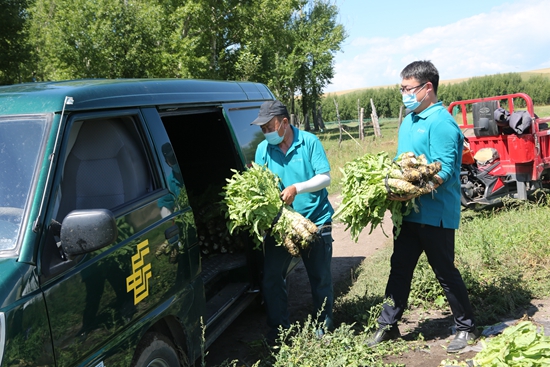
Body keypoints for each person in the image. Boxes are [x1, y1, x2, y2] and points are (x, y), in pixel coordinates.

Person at [367, 60, 478, 352]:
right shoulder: (410, 121)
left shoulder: (442, 122)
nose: (403, 93)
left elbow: (443, 172)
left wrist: (410, 193)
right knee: (399, 268)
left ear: (427, 88)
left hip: (436, 214)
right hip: (408, 215)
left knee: (444, 270)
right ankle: (387, 326)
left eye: (408, 88)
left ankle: (466, 328)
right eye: (401, 88)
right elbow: (402, 162)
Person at [251, 100, 335, 342]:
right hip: (282, 226)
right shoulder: (263, 150)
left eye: (269, 126)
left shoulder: (309, 142)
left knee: (320, 278)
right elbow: (260, 185)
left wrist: (297, 188)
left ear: (284, 122)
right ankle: (279, 330)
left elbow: (325, 178)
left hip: (316, 221)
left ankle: (324, 329)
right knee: (271, 277)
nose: (265, 132)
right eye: (262, 128)